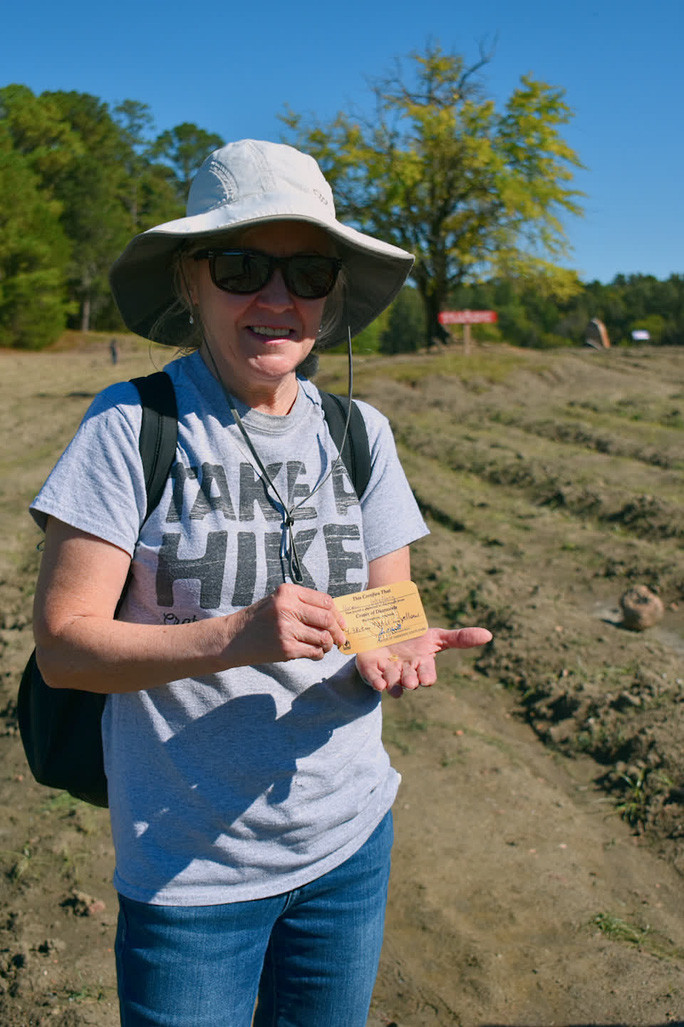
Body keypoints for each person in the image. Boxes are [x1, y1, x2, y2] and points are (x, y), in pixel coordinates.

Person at [30, 139, 492, 1027]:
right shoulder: (131, 426)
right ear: (191, 280)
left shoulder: (361, 432)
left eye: (307, 271)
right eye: (243, 266)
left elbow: (383, 608)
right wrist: (235, 635)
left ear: (331, 292)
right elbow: (63, 649)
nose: (277, 299)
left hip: (349, 844)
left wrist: (393, 648)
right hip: (189, 870)